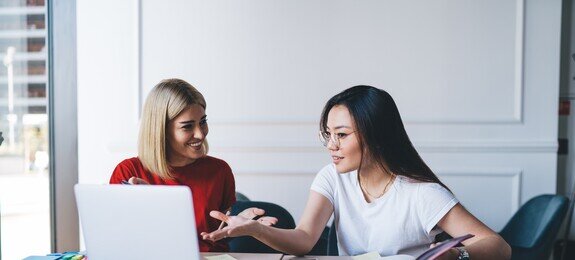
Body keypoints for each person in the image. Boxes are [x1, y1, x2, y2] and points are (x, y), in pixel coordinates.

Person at [201, 85, 511, 259]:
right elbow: (305, 239)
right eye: (328, 134)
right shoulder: (332, 178)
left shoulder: (421, 193)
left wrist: (458, 257)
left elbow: (499, 247)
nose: (331, 145)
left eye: (342, 135)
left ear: (375, 135)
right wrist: (256, 230)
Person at [109, 78, 276, 252]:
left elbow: (222, 227)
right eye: (187, 127)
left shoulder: (219, 171)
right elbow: (118, 240)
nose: (200, 133)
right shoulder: (129, 172)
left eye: (203, 122)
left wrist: (243, 223)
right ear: (162, 131)